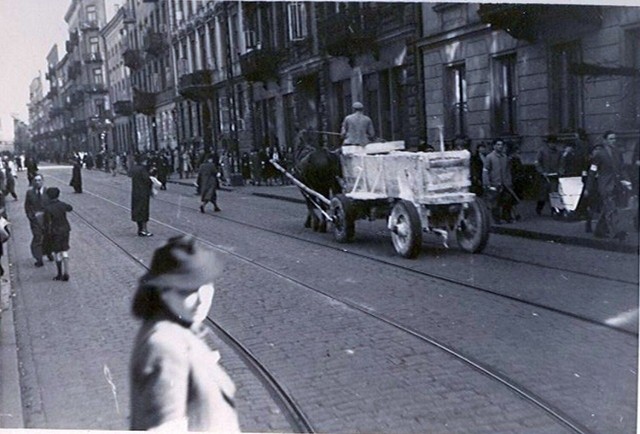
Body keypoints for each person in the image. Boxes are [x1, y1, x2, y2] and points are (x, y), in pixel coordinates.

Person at [129, 235, 240, 432]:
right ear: (164, 292)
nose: (200, 300)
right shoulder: (164, 344)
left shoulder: (179, 329)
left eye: (206, 286)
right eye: (187, 291)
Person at [584, 130, 632, 240]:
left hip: (616, 184)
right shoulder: (599, 154)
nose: (613, 141)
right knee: (611, 207)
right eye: (611, 139)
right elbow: (592, 171)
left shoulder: (618, 153)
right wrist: (588, 187)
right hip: (605, 185)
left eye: (614, 139)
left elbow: (622, 168)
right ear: (605, 140)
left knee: (607, 208)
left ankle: (598, 231)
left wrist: (627, 181)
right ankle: (616, 231)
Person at [43, 187, 73, 281]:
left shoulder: (48, 208)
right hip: (65, 230)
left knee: (57, 252)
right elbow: (70, 208)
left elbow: (47, 223)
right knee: (64, 249)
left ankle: (59, 273)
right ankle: (66, 272)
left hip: (55, 232)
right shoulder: (62, 205)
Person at [482, 139, 515, 224]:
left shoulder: (505, 157)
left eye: (501, 145)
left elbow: (508, 170)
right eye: (498, 144)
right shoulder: (490, 157)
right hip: (494, 183)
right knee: (495, 202)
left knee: (507, 200)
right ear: (494, 146)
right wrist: (487, 183)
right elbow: (486, 170)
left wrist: (509, 181)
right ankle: (496, 219)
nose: (500, 146)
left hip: (505, 183)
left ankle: (506, 216)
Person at [24, 174, 52, 266]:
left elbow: (52, 206)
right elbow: (27, 206)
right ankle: (39, 258)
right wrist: (31, 217)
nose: (37, 182)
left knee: (48, 237)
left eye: (39, 180)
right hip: (35, 220)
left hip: (47, 219)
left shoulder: (48, 192)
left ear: (43, 181)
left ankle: (48, 252)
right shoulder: (29, 193)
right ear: (33, 182)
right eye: (35, 180)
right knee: (37, 238)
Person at [535, 134, 562, 215]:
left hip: (554, 176)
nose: (553, 144)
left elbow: (561, 163)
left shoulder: (558, 152)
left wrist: (560, 171)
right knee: (542, 194)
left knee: (554, 193)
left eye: (554, 143)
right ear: (548, 143)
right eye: (551, 143)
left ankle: (554, 210)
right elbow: (537, 162)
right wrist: (542, 171)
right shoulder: (542, 151)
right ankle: (539, 208)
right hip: (544, 177)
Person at [130, 156, 153, 237]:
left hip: (135, 193)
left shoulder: (134, 169)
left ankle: (139, 229)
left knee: (137, 211)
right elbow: (147, 179)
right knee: (144, 211)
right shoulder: (143, 169)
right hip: (143, 193)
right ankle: (144, 230)